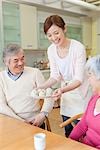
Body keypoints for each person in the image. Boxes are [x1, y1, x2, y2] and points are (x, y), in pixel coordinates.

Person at [37, 15, 91, 137]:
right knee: (68, 131)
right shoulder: (51, 50)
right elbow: (55, 76)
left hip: (81, 94)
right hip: (66, 95)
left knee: (82, 132)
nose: (54, 38)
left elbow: (78, 79)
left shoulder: (78, 48)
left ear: (64, 29)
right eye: (49, 35)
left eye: (56, 33)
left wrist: (61, 90)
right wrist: (41, 86)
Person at [0, 43, 54, 128]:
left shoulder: (35, 73)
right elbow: (1, 105)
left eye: (22, 58)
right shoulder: (1, 78)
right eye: (16, 60)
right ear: (6, 62)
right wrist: (21, 121)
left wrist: (43, 114)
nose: (21, 63)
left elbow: (49, 95)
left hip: (35, 122)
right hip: (12, 122)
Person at [69, 55, 100, 149]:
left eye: (90, 75)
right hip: (84, 145)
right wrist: (70, 141)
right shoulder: (94, 98)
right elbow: (83, 124)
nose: (88, 79)